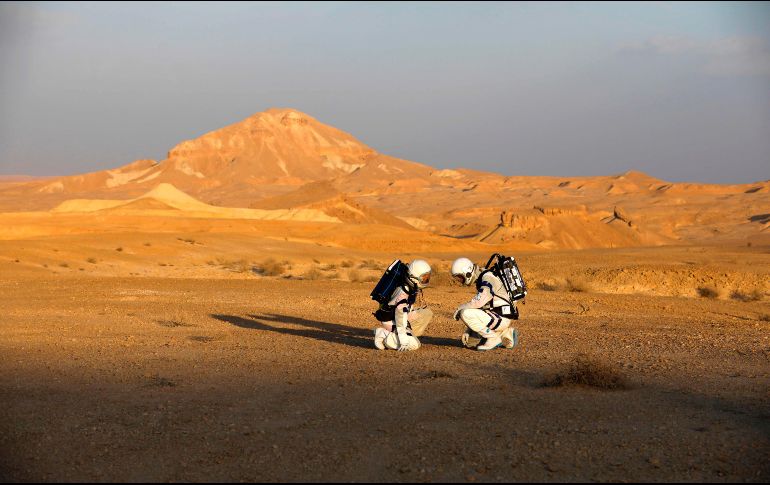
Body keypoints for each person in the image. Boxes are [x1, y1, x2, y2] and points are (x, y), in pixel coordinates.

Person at [450, 256, 520, 351]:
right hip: (499, 316)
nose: (460, 281)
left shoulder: (487, 278)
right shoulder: (484, 277)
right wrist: (468, 329)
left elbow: (478, 303)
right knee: (470, 342)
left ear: (467, 272)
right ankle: (505, 333)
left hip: (499, 317)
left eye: (460, 277)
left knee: (465, 313)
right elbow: (482, 306)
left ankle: (492, 337)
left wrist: (459, 309)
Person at [372, 259, 434, 351]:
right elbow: (400, 315)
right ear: (414, 277)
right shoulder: (403, 292)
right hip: (392, 321)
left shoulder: (409, 286)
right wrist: (403, 339)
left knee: (427, 313)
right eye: (424, 278)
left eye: (427, 277)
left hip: (399, 316)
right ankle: (383, 334)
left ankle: (406, 334)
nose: (426, 280)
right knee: (414, 345)